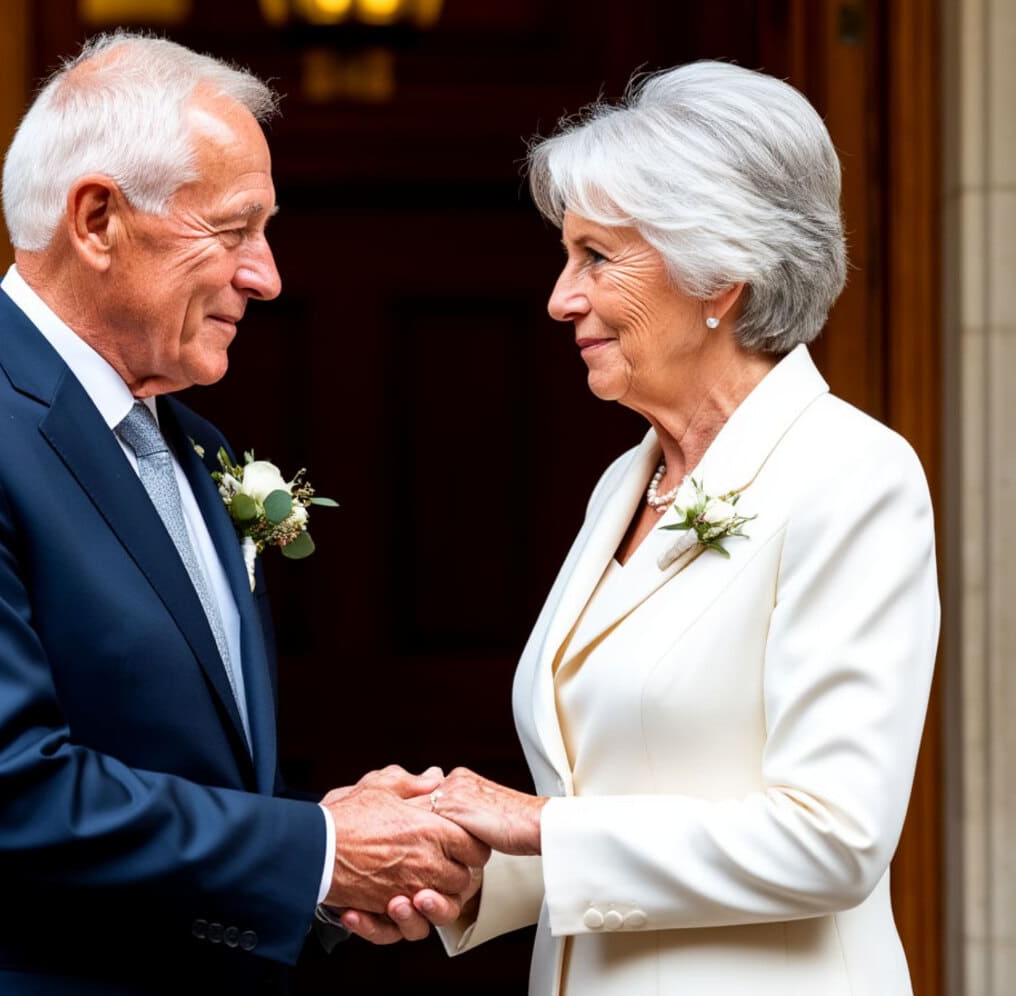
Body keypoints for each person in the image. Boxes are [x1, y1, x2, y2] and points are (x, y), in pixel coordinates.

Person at [0, 31, 485, 995]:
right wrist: (321, 849)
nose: (267, 275)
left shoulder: (193, 445)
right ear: (97, 220)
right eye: (234, 230)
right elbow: (1, 795)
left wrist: (330, 863)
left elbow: (183, 769)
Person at [367, 61, 939, 994]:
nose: (561, 297)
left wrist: (538, 826)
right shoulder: (623, 484)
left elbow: (833, 839)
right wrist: (465, 870)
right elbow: (612, 799)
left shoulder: (852, 474)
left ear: (721, 273)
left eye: (597, 256)